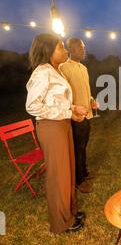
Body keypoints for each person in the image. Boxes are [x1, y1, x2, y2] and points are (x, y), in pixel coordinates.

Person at [26, 33, 88, 234]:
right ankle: (61, 222)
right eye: (61, 47)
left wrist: (73, 108)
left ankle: (69, 212)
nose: (65, 50)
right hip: (51, 128)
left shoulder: (57, 70)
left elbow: (56, 100)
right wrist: (67, 112)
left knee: (67, 170)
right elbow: (33, 106)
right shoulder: (42, 72)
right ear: (48, 50)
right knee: (58, 175)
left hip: (61, 124)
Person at [60, 38, 94, 193]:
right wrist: (72, 110)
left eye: (84, 47)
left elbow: (86, 89)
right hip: (75, 117)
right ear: (71, 49)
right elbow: (62, 96)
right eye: (80, 47)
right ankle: (78, 180)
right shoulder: (63, 68)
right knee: (77, 149)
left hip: (87, 115)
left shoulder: (84, 68)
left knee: (83, 146)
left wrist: (91, 101)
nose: (83, 50)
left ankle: (85, 172)